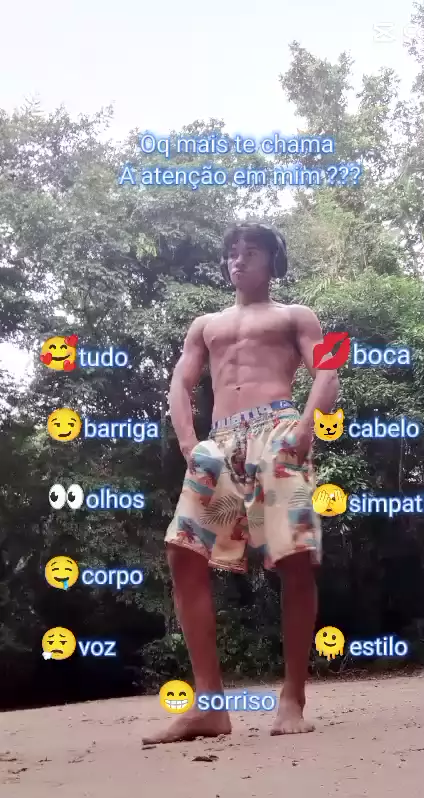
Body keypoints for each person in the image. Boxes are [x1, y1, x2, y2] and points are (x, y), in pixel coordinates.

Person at [142, 222, 339, 744]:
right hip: (218, 442)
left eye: (250, 252)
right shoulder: (205, 325)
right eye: (232, 252)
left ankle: (292, 697)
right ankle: (209, 706)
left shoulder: (296, 315)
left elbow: (328, 371)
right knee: (183, 550)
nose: (238, 260)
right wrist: (189, 443)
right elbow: (180, 383)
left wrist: (305, 427)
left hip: (278, 430)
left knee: (294, 557)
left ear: (274, 261)